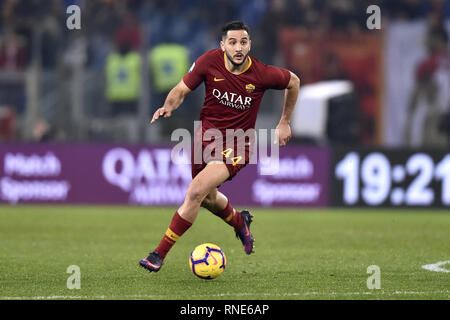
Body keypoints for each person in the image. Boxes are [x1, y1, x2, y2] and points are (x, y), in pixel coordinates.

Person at [139, 21, 300, 273]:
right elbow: (181, 89)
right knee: (207, 199)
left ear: (250, 45)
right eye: (233, 42)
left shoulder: (262, 73)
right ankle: (240, 222)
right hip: (205, 138)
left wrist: (284, 122)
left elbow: (294, 81)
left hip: (238, 144)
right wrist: (168, 105)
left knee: (195, 192)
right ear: (222, 45)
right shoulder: (208, 62)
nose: (238, 48)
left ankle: (158, 254)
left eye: (243, 42)